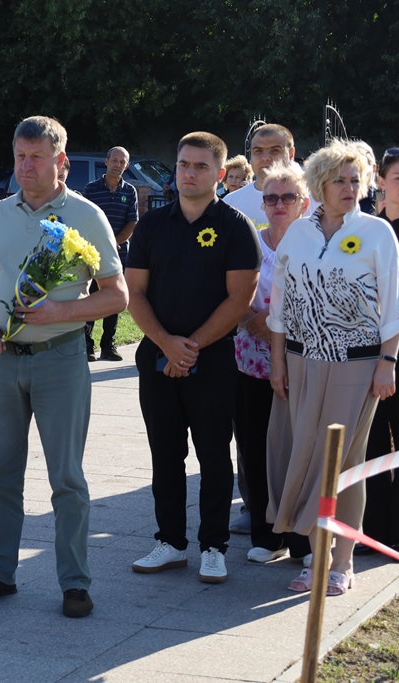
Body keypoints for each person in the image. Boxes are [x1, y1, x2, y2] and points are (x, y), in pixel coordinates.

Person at [0, 116, 127, 618]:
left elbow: (117, 295)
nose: (25, 166)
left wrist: (61, 311)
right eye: (20, 156)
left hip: (60, 358)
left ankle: (74, 582)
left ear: (62, 161)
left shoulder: (86, 215)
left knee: (67, 479)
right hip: (2, 360)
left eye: (36, 157)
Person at [267, 140, 399, 595]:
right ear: (319, 185)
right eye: (339, 180)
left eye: (355, 180)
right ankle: (316, 558)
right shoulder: (298, 234)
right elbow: (279, 307)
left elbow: (396, 308)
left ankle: (342, 563)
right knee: (307, 459)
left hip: (358, 364)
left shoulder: (376, 232)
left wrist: (387, 362)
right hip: (301, 361)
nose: (349, 188)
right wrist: (277, 362)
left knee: (344, 462)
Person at [127, 131, 260, 584]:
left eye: (201, 166)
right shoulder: (152, 224)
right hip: (157, 357)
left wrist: (190, 347)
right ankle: (170, 542)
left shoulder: (236, 227)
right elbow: (134, 292)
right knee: (165, 454)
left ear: (220, 174)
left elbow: (239, 300)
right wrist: (166, 344)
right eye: (184, 164)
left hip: (214, 362)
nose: (190, 173)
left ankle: (213, 546)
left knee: (214, 456)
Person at [223, 123, 313, 536]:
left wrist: (275, 320)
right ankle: (257, 513)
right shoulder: (235, 205)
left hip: (301, 353)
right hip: (250, 350)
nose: (266, 157)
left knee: (298, 440)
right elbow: (223, 276)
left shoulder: (315, 211)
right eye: (258, 150)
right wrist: (247, 318)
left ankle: (298, 523)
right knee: (252, 437)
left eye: (275, 149)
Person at [360, 147, 399, 560]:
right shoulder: (369, 230)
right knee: (371, 443)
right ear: (380, 180)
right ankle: (372, 530)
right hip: (365, 354)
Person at [82, 146, 138, 362]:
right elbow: (86, 220)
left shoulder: (129, 191)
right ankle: (87, 345)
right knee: (91, 297)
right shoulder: (91, 189)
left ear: (127, 165)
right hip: (93, 253)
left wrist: (114, 242)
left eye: (122, 162)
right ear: (106, 162)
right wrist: (101, 243)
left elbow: (132, 222)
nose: (118, 165)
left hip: (118, 254)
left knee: (114, 299)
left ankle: (108, 345)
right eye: (114, 160)